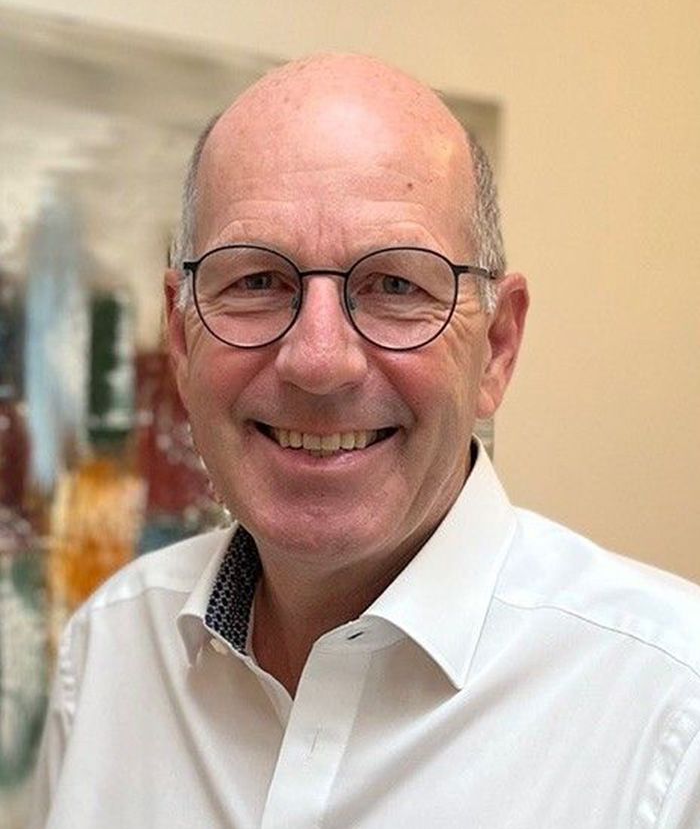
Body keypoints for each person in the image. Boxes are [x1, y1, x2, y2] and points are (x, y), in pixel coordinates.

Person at [31, 54, 700, 828]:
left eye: (395, 285)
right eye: (257, 281)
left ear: (497, 348)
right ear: (181, 339)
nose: (319, 362)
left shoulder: (671, 717)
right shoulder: (111, 650)